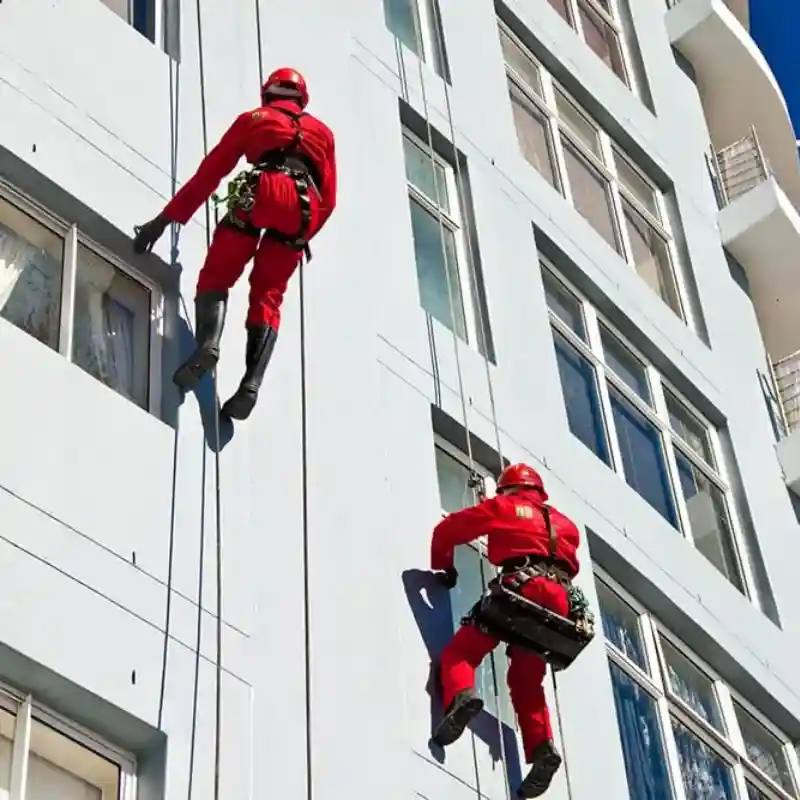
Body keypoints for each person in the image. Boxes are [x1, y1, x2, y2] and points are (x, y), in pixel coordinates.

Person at [133, 67, 337, 420]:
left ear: (268, 94)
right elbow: (330, 201)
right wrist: (301, 237)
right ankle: (251, 383)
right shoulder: (324, 134)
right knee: (269, 293)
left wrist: (162, 222)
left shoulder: (253, 119)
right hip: (305, 210)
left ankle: (208, 343)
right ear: (301, 99)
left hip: (263, 189)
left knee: (219, 272)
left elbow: (209, 175)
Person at [430, 463, 581, 799]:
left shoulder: (505, 506)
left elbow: (447, 532)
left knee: (462, 652)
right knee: (525, 681)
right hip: (561, 603)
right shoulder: (565, 524)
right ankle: (542, 747)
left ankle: (461, 697)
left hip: (523, 587)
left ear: (508, 490)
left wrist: (446, 568)